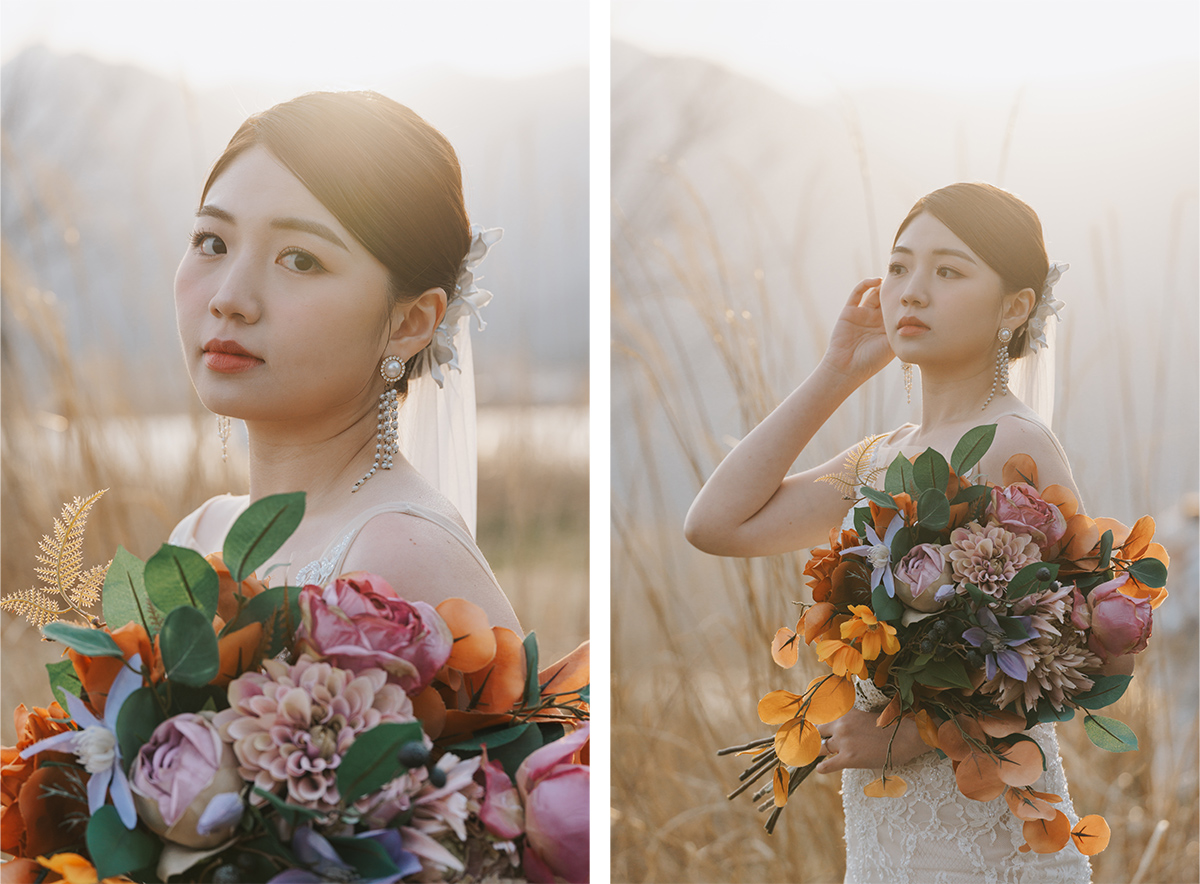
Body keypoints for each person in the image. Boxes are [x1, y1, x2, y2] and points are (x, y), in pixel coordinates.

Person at [686, 183, 1131, 882]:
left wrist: (910, 732)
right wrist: (837, 371)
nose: (911, 291)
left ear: (1014, 307)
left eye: (947, 271)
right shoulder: (881, 455)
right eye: (898, 268)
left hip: (985, 839)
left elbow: (1083, 651)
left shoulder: (1014, 440)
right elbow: (715, 523)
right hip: (885, 832)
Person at [169, 90, 520, 634]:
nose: (229, 297)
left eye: (300, 259)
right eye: (212, 242)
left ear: (409, 323)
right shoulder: (200, 536)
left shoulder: (404, 557)